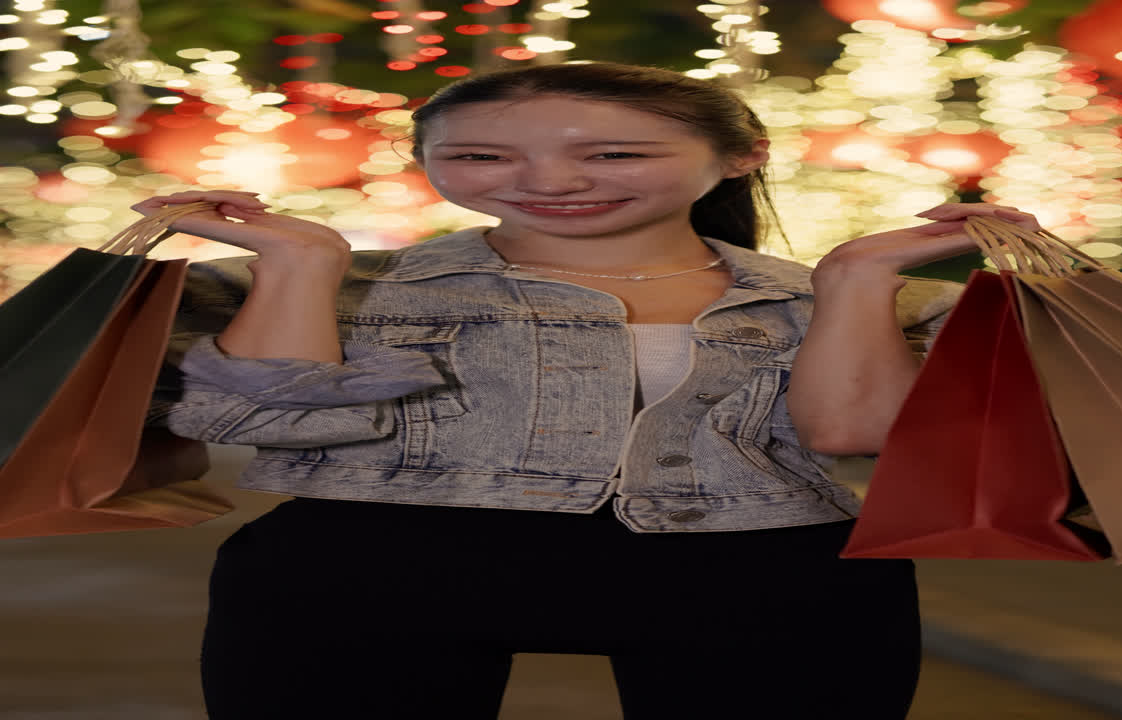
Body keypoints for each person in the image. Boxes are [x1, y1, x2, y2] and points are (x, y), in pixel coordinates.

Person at [138, 62, 1042, 719]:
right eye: (481, 155)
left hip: (755, 569)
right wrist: (302, 261)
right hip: (369, 568)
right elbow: (270, 422)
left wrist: (855, 279)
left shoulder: (843, 294)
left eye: (613, 153)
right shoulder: (349, 283)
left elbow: (853, 432)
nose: (551, 182)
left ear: (741, 155)